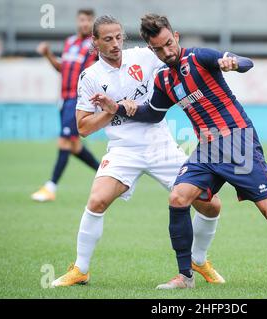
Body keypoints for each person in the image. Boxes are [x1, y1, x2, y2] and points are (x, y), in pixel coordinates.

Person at [93, 13, 267, 290]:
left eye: (168, 44)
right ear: (151, 49)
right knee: (178, 197)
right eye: (158, 49)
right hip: (207, 149)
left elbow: (245, 63)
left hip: (238, 141)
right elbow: (153, 114)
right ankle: (185, 277)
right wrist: (118, 107)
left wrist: (233, 62)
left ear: (176, 37)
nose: (166, 52)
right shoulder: (163, 79)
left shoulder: (200, 58)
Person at [51, 15, 224, 287]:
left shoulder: (144, 56)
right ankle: (81, 269)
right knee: (96, 202)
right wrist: (114, 109)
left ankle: (198, 260)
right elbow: (83, 127)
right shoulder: (91, 77)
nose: (115, 44)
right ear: (94, 42)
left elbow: (175, 57)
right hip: (123, 150)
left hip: (161, 145)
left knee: (211, 205)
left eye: (118, 37)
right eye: (107, 39)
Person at [31, 9, 100, 202]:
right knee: (75, 146)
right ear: (77, 21)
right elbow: (63, 69)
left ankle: (50, 187)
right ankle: (106, 173)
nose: (85, 23)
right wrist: (47, 54)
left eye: (88, 20)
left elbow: (92, 72)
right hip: (64, 98)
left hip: (78, 99)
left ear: (93, 23)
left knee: (64, 142)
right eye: (82, 20)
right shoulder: (69, 42)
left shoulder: (93, 45)